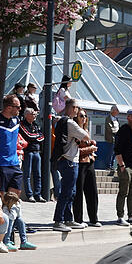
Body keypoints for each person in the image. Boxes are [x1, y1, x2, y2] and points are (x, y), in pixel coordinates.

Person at [52, 99, 90, 232]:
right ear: (73, 108)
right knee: (67, 192)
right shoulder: (70, 122)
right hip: (69, 161)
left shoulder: (63, 121)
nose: (79, 111)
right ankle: (58, 221)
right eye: (78, 108)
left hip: (67, 160)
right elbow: (86, 137)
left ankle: (68, 219)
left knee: (71, 192)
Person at [73, 109, 100, 228]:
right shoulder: (74, 131)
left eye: (85, 116)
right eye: (81, 116)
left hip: (89, 162)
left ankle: (93, 218)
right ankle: (78, 219)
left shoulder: (86, 130)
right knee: (78, 192)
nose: (83, 118)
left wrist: (91, 146)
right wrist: (91, 149)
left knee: (92, 191)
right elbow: (74, 151)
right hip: (79, 163)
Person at [19, 108, 45, 202]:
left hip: (37, 152)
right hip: (28, 152)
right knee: (27, 174)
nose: (34, 115)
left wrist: (35, 137)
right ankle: (29, 195)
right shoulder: (22, 124)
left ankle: (38, 194)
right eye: (32, 114)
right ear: (26, 115)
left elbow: (42, 136)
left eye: (35, 114)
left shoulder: (35, 125)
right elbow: (27, 135)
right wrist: (36, 136)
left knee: (38, 174)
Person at [103, 105, 120, 174]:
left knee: (114, 153)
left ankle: (112, 165)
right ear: (113, 111)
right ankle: (108, 165)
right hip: (111, 138)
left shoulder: (116, 119)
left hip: (116, 138)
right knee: (110, 152)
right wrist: (116, 132)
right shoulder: (108, 118)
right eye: (117, 111)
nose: (118, 112)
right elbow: (109, 128)